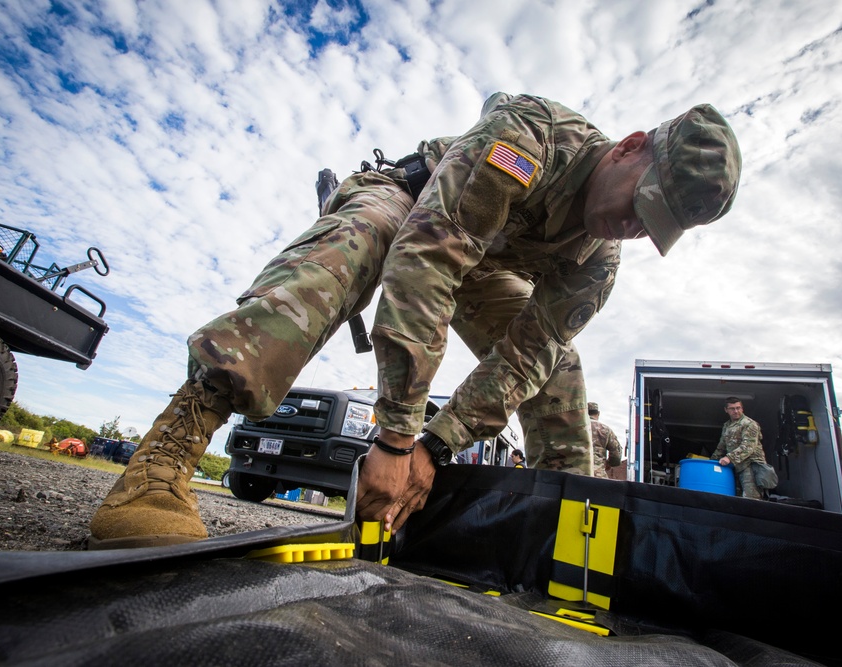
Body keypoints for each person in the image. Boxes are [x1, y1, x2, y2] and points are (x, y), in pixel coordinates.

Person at [89, 92, 741, 549]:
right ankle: (161, 465)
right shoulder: (531, 137)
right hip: (414, 204)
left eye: (651, 229)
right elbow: (426, 264)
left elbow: (524, 359)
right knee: (355, 248)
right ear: (629, 148)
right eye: (640, 204)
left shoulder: (597, 263)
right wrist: (396, 438)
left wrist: (431, 449)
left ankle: (557, 541)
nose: (631, 228)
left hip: (483, 260)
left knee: (558, 370)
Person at [712, 397, 768, 499]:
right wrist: (711, 463)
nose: (736, 411)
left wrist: (729, 458)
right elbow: (721, 448)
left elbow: (748, 446)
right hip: (735, 467)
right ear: (726, 410)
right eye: (732, 408)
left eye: (738, 408)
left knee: (751, 498)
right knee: (735, 497)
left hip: (750, 466)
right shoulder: (727, 426)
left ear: (742, 408)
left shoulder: (749, 424)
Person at [587, 402, 622, 479]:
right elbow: (616, 455)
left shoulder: (574, 428)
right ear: (598, 413)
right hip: (597, 476)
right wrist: (609, 463)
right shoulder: (606, 430)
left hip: (575, 475)